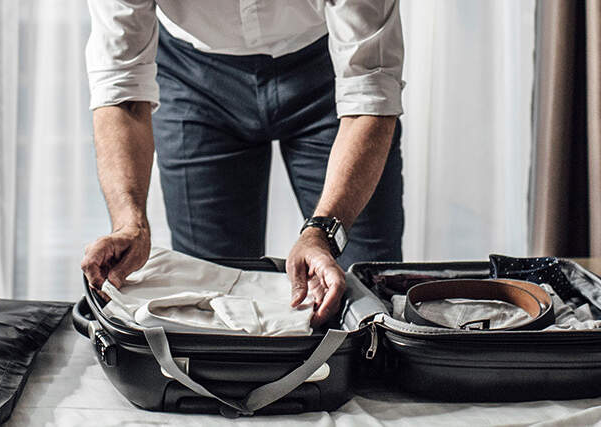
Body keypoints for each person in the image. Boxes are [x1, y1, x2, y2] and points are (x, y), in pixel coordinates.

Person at [78, 0, 405, 327]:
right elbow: (121, 90)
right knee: (211, 300)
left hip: (328, 68)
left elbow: (369, 95)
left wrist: (323, 232)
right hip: (192, 77)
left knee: (367, 291)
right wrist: (129, 223)